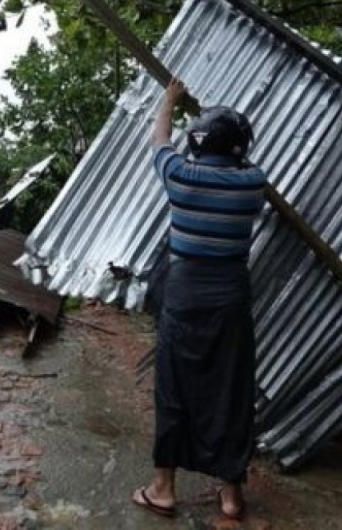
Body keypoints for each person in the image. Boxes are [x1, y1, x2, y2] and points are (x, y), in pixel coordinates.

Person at [131, 78, 265, 522]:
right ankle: (230, 497)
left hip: (184, 299)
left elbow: (159, 140)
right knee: (230, 392)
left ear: (196, 143)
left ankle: (164, 489)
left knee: (174, 390)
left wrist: (169, 100)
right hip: (230, 302)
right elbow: (241, 158)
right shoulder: (252, 185)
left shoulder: (179, 176)